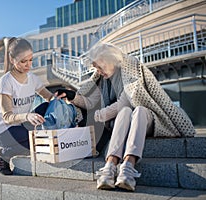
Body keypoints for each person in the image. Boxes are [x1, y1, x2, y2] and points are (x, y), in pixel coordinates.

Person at [82, 43, 196, 191]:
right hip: (124, 119)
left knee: (139, 110)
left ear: (109, 60)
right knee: (124, 112)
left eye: (99, 66)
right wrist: (72, 97)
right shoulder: (101, 79)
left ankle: (128, 166)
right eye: (96, 68)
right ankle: (110, 165)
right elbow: (89, 101)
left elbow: (124, 101)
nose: (98, 71)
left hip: (147, 118)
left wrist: (95, 117)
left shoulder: (130, 66)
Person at [0, 37, 54, 175]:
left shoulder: (33, 79)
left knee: (46, 106)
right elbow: (7, 117)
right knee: (36, 143)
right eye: (23, 61)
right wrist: (27, 116)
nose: (28, 65)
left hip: (22, 125)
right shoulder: (5, 82)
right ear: (12, 60)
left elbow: (49, 97)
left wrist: (62, 99)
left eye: (31, 60)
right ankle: (3, 154)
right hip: (4, 131)